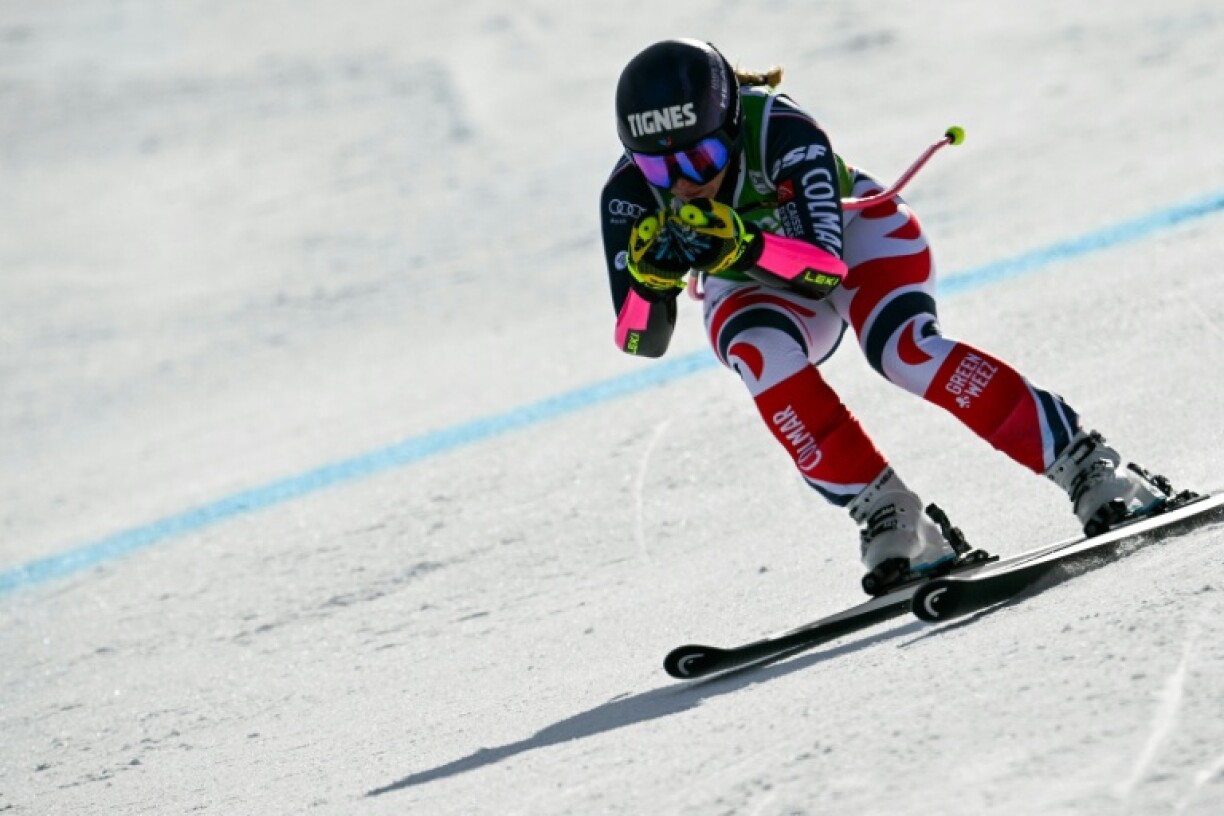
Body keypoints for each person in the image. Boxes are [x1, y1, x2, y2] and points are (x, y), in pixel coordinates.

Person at [598, 38, 1175, 594]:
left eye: (703, 157)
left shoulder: (779, 128)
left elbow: (823, 267)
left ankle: (1089, 465)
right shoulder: (626, 192)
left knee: (904, 350)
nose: (683, 183)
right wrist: (649, 284)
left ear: (730, 128)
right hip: (756, 278)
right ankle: (889, 513)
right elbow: (639, 341)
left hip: (855, 239)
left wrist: (742, 246)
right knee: (756, 352)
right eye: (659, 170)